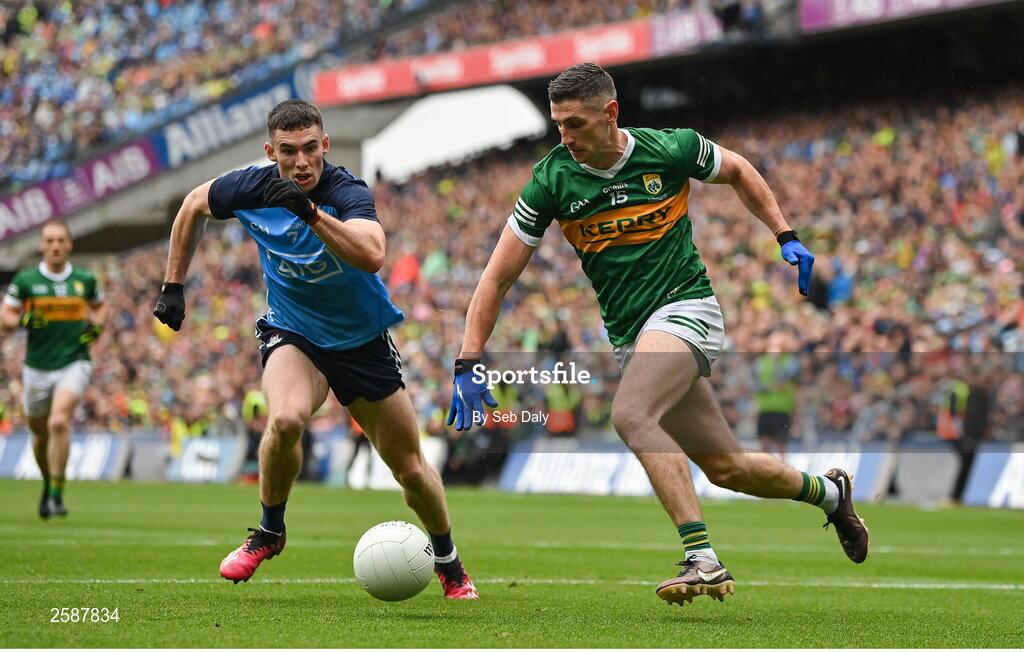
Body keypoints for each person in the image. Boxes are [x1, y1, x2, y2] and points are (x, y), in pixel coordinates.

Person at [447, 63, 868, 606]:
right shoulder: (551, 180)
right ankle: (832, 495)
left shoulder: (670, 149)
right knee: (726, 468)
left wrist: (784, 233)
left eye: (575, 123)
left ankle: (703, 559)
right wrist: (468, 358)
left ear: (610, 113)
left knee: (630, 415)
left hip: (687, 308)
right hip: (632, 336)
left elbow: (738, 169)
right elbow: (497, 276)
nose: (564, 137)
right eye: (558, 125)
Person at [153, 99, 477, 598]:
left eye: (310, 149)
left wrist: (306, 212)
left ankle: (449, 561)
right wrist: (173, 285)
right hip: (294, 332)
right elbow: (193, 205)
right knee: (284, 420)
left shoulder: (347, 191)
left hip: (361, 342)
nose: (301, 162)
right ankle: (269, 531)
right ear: (270, 151)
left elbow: (371, 254)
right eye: (288, 152)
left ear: (325, 144)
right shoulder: (247, 184)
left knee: (410, 469)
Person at [0, 221, 107, 518]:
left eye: (61, 240)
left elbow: (100, 308)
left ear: (70, 244)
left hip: (74, 360)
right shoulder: (25, 280)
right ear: (42, 246)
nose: (56, 245)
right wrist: (22, 320)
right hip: (37, 367)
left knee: (59, 421)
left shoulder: (84, 279)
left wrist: (97, 328)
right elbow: (5, 317)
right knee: (39, 433)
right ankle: (48, 484)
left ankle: (57, 495)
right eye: (50, 240)